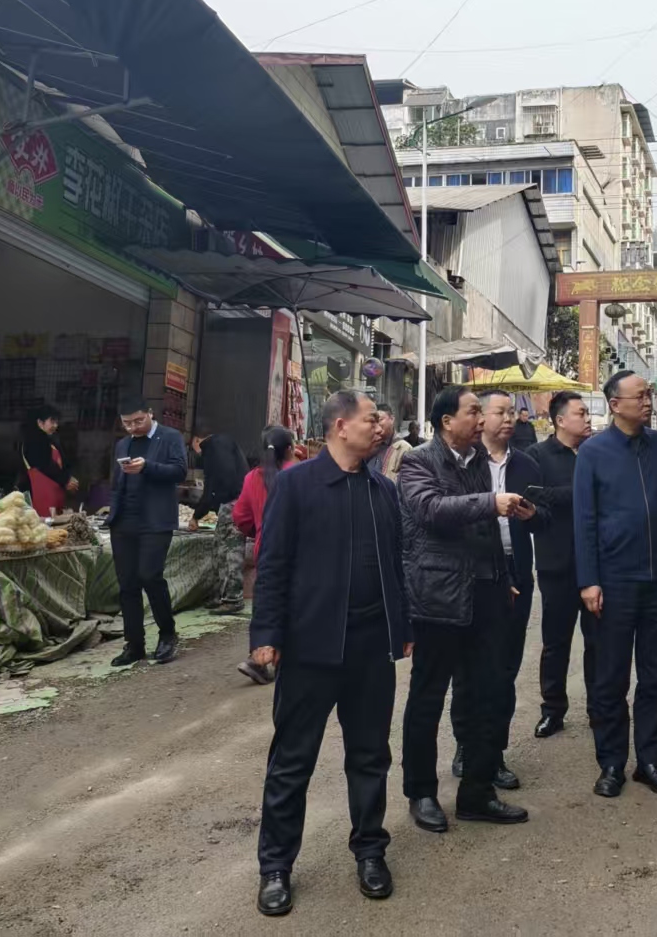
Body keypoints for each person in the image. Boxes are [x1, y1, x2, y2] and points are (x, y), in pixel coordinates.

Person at [249, 391, 412, 918]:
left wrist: (402, 626)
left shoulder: (382, 489)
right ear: (341, 426)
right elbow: (273, 564)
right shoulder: (296, 485)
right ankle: (276, 866)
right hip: (311, 646)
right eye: (371, 419)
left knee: (370, 756)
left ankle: (370, 851)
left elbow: (396, 564)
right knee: (292, 761)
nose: (380, 426)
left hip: (370, 647)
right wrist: (266, 632)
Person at [397, 386, 535, 833]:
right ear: (446, 422)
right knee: (428, 698)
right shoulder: (418, 461)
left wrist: (503, 576)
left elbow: (486, 530)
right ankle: (421, 792)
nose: (481, 420)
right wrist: (491, 502)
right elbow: (430, 510)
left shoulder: (477, 461)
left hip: (486, 593)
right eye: (473, 412)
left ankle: (477, 791)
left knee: (486, 693)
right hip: (438, 598)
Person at [574, 371, 657, 799]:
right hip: (614, 581)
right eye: (639, 396)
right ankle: (610, 763)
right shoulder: (593, 451)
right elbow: (584, 520)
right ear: (614, 404)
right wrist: (589, 580)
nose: (647, 401)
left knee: (656, 675)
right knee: (610, 678)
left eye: (648, 395)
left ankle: (649, 761)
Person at [449, 389, 546, 790]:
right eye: (499, 412)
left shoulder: (528, 464)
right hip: (473, 573)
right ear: (481, 418)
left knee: (504, 668)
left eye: (512, 412)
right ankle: (465, 746)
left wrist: (533, 514)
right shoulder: (462, 464)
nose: (508, 418)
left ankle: (494, 752)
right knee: (468, 668)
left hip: (515, 571)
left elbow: (544, 519)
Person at [529, 389, 597, 738]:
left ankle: (599, 708)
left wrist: (559, 497)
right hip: (556, 564)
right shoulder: (537, 456)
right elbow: (533, 497)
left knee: (598, 642)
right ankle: (552, 709)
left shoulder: (596, 452)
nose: (587, 418)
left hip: (597, 565)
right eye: (580, 413)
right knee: (556, 643)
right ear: (559, 420)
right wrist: (581, 494)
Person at [107, 401, 188, 667]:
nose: (133, 427)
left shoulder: (170, 437)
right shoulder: (123, 444)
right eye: (127, 423)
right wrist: (112, 511)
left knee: (150, 576)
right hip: (124, 521)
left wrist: (148, 466)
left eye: (138, 421)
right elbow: (116, 482)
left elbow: (179, 471)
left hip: (155, 520)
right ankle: (134, 644)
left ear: (150, 414)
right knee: (127, 583)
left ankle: (167, 634)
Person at [232, 426, 298, 685]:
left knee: (265, 602)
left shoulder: (252, 478)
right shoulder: (299, 474)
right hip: (297, 550)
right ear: (290, 449)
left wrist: (258, 531)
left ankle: (259, 655)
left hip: (265, 549)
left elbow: (240, 517)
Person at [193, 426, 250, 615]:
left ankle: (232, 599)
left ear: (196, 440)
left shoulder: (211, 447)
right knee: (220, 550)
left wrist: (197, 515)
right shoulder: (226, 443)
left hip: (232, 505)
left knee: (230, 551)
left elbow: (213, 485)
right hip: (237, 502)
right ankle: (221, 595)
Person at [20, 404, 79, 517]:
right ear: (40, 422)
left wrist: (69, 479)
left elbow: (63, 464)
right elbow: (45, 464)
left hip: (55, 495)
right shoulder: (33, 441)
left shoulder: (51, 441)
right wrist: (66, 479)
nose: (55, 425)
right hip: (39, 496)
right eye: (52, 421)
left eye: (56, 422)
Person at [370, 403, 412, 483]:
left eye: (380, 420)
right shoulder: (368, 446)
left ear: (392, 419)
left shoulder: (403, 449)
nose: (377, 425)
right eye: (374, 421)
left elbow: (408, 483)